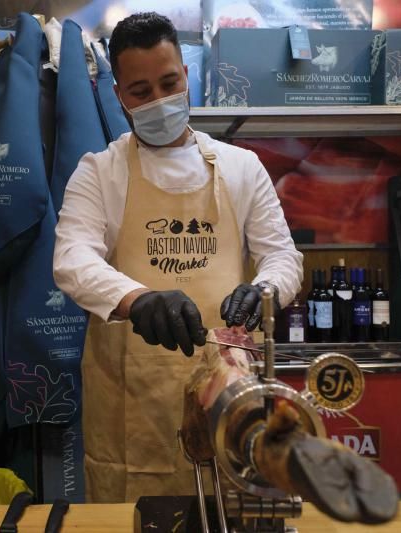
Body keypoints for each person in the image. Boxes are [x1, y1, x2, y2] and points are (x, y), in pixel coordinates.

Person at [53, 12, 303, 502]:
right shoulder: (98, 174)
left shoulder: (241, 167)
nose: (160, 101)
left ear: (186, 75)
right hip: (132, 407)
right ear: (120, 95)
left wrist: (264, 289)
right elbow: (72, 259)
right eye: (141, 92)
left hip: (231, 398)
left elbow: (283, 258)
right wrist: (136, 300)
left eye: (169, 83)